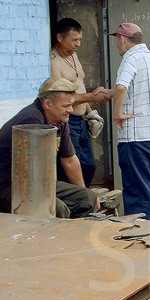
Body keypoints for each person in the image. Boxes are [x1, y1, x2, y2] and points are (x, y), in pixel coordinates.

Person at [0, 77, 98, 218]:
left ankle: (69, 230)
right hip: (4, 190)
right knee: (56, 207)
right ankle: (55, 236)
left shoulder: (60, 120)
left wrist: (82, 191)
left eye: (71, 105)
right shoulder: (31, 119)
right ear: (48, 104)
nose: (70, 110)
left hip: (35, 185)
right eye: (66, 106)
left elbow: (70, 160)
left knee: (87, 198)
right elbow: (31, 172)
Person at [110, 23, 150, 228]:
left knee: (137, 190)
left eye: (117, 39)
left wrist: (117, 113)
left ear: (122, 39)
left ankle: (143, 234)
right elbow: (128, 90)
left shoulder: (130, 58)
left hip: (135, 138)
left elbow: (121, 86)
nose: (117, 44)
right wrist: (107, 94)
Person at [50, 18, 111, 186]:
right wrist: (92, 96)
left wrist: (90, 112)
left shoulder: (73, 55)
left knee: (89, 166)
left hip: (81, 121)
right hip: (67, 122)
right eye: (74, 40)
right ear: (60, 38)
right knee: (71, 169)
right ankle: (72, 205)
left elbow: (79, 86)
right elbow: (61, 98)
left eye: (80, 40)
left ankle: (82, 199)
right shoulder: (54, 62)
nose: (78, 44)